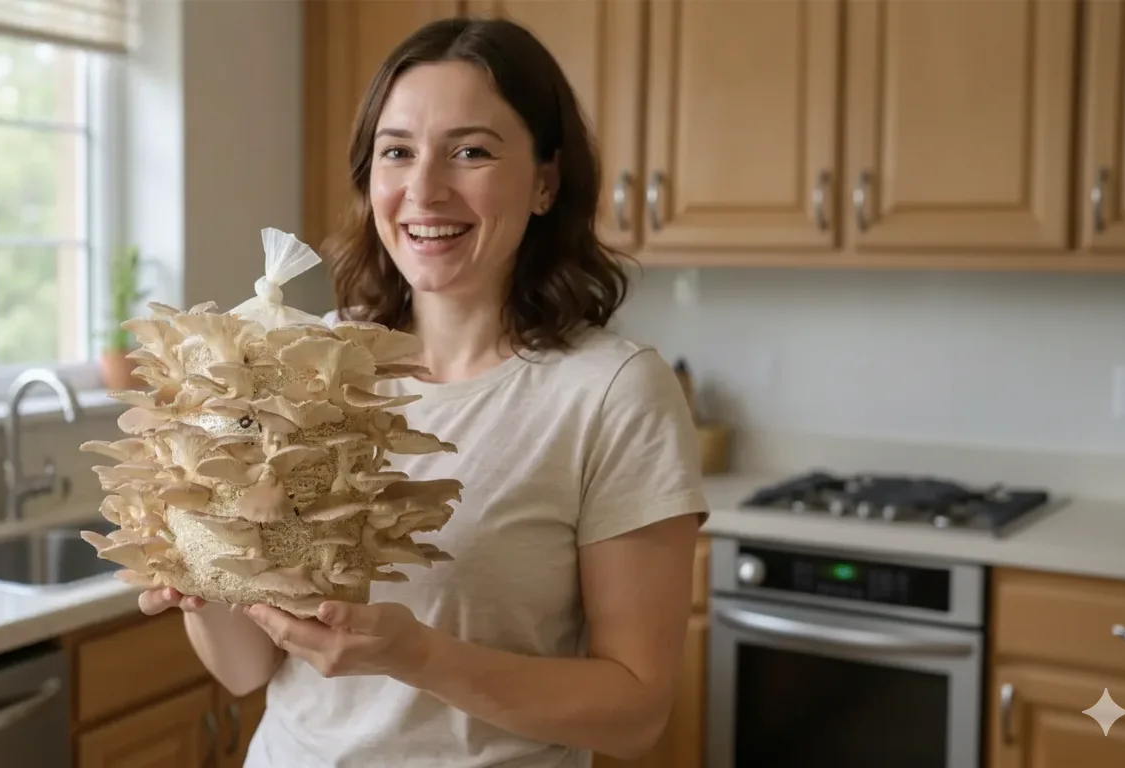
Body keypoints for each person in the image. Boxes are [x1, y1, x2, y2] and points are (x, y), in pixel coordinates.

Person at [138, 16, 709, 768]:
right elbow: (247, 670)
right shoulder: (302, 363)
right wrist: (204, 575)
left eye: (471, 152)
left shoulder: (612, 393)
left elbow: (636, 714)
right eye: (397, 152)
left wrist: (422, 659)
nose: (424, 190)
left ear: (545, 181)